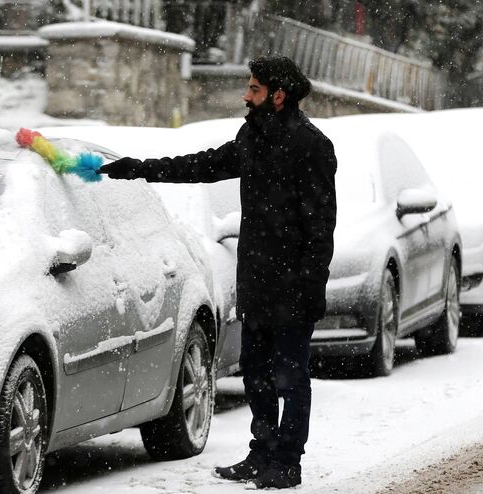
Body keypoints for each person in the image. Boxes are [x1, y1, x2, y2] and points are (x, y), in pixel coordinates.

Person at [99, 55, 337, 490]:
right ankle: (262, 450)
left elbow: (321, 228)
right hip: (257, 280)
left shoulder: (312, 147)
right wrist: (141, 169)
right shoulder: (252, 136)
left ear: (278, 96)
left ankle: (287, 461)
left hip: (293, 290)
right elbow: (203, 165)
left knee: (290, 377)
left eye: (254, 90)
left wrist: (308, 288)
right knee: (256, 371)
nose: (246, 96)